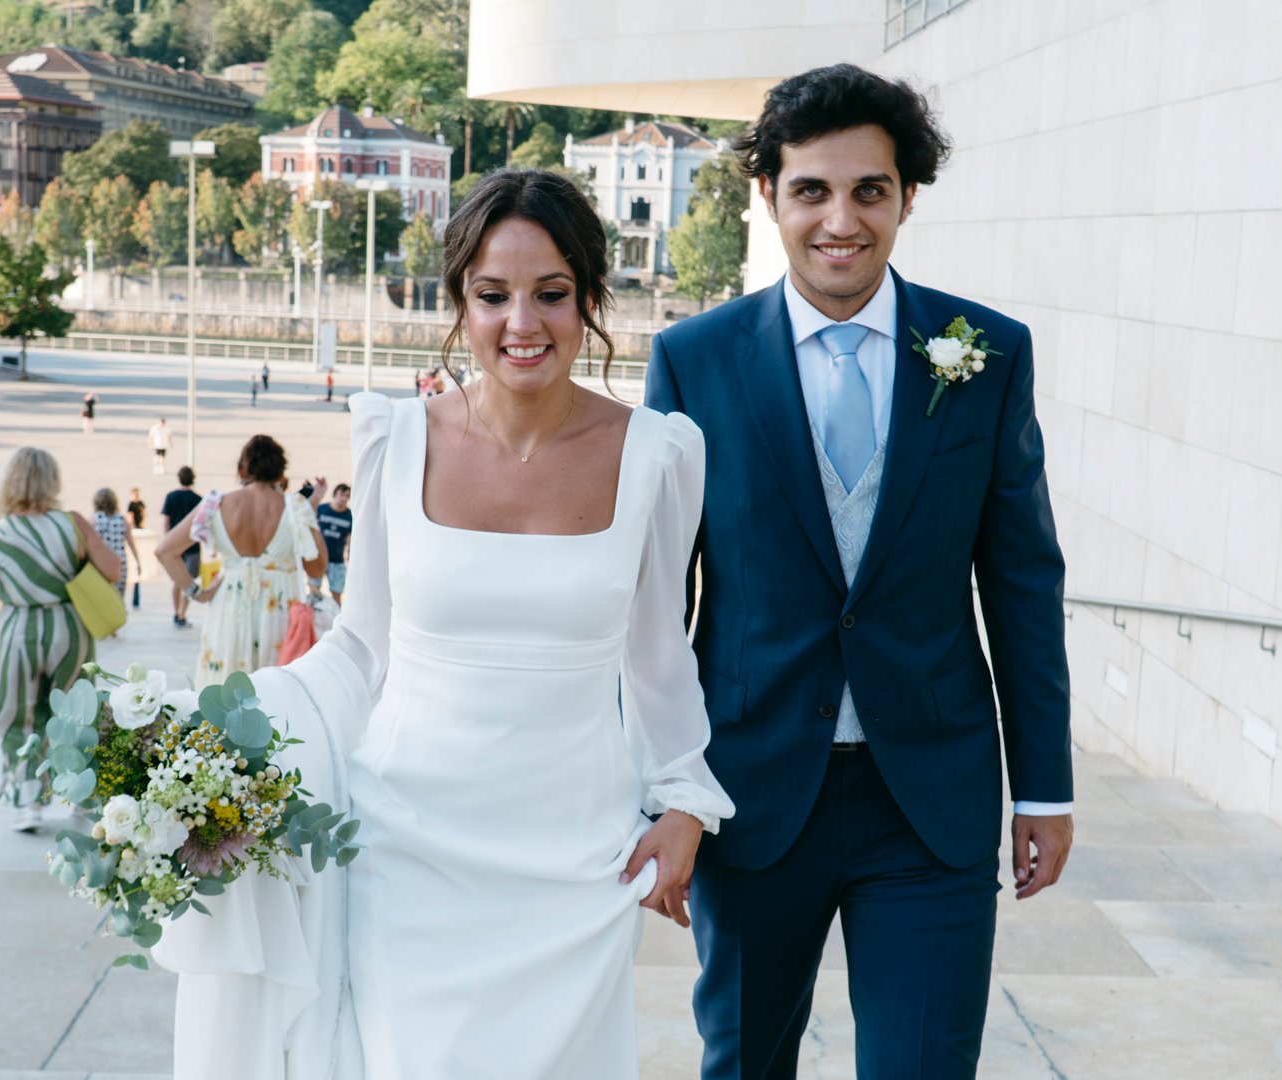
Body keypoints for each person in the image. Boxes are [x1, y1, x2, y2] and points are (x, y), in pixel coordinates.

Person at [155, 168, 733, 1079]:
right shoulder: (395, 436)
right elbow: (362, 645)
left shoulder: (659, 454)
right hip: (407, 856)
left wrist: (687, 804)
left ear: (589, 297)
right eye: (492, 296)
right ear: (459, 301)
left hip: (574, 868)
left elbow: (659, 656)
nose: (522, 324)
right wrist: (225, 736)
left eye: (551, 294)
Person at [645, 64, 1075, 1080]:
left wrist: (1044, 788)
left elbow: (1021, 582)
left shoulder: (986, 353)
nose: (842, 219)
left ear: (906, 197)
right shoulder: (693, 360)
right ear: (769, 196)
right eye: (812, 190)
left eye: (869, 190)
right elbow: (655, 608)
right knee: (743, 1064)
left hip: (928, 799)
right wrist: (657, 791)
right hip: (750, 797)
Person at [0, 447, 120, 831]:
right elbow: (111, 570)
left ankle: (28, 802)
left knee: (18, 714)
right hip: (70, 625)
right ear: (52, 480)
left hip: (18, 629)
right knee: (77, 713)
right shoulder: (71, 524)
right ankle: (82, 799)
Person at [155, 435, 329, 688]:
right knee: (277, 693)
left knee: (226, 692)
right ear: (281, 473)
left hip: (229, 607)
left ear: (241, 469)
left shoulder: (216, 504)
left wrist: (197, 593)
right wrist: (309, 510)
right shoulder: (296, 507)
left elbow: (165, 550)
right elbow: (317, 567)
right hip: (278, 611)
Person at [160, 466, 202, 629]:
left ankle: (175, 613)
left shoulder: (171, 497)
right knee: (189, 582)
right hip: (192, 547)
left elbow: (166, 522)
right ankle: (182, 613)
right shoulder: (198, 499)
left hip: (174, 548)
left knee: (177, 581)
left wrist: (167, 541)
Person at [92, 488, 140, 604]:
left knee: (101, 597)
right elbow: (131, 543)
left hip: (101, 562)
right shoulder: (122, 519)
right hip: (120, 562)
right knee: (118, 598)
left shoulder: (94, 519)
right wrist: (138, 562)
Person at [310, 482, 353, 604]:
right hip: (318, 557)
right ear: (335, 495)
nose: (344, 498)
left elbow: (350, 538)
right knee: (314, 592)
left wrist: (350, 555)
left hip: (336, 560)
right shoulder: (322, 509)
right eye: (342, 494)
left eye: (347, 496)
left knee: (337, 594)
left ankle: (335, 619)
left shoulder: (349, 516)